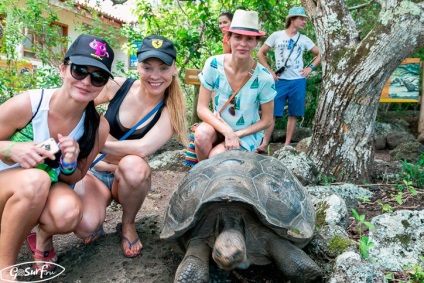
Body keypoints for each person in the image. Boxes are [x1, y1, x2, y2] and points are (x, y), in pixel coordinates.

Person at [0, 34, 113, 276]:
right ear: (63, 69)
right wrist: (10, 148)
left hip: (37, 190)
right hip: (7, 184)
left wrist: (70, 163)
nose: (86, 81)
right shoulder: (29, 104)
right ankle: (5, 270)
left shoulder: (97, 126)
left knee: (67, 212)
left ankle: (36, 234)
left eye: (98, 76)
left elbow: (73, 179)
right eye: (80, 70)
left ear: (104, 84)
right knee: (36, 179)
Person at [73, 35, 187, 258]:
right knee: (85, 226)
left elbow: (142, 148)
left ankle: (128, 224)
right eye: (147, 67)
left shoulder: (170, 110)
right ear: (138, 67)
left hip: (125, 176)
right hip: (93, 171)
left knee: (135, 165)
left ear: (174, 69)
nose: (155, 76)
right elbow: (77, 107)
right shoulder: (117, 86)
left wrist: (97, 142)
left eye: (163, 68)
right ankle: (94, 213)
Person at [194, 10, 276, 160]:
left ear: (256, 42)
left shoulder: (264, 77)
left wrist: (236, 134)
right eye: (238, 37)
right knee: (201, 135)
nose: (243, 44)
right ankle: (203, 179)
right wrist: (226, 131)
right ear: (228, 38)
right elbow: (202, 108)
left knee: (216, 155)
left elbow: (267, 120)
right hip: (219, 126)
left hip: (247, 132)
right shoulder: (213, 64)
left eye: (249, 39)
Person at [255, 6, 320, 152]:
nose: (304, 22)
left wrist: (310, 68)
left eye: (305, 19)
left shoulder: (303, 39)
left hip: (298, 81)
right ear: (292, 19)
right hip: (280, 81)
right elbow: (260, 53)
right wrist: (270, 71)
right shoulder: (277, 36)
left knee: (293, 114)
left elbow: (320, 54)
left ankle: (286, 146)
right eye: (301, 19)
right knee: (273, 113)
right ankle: (264, 144)